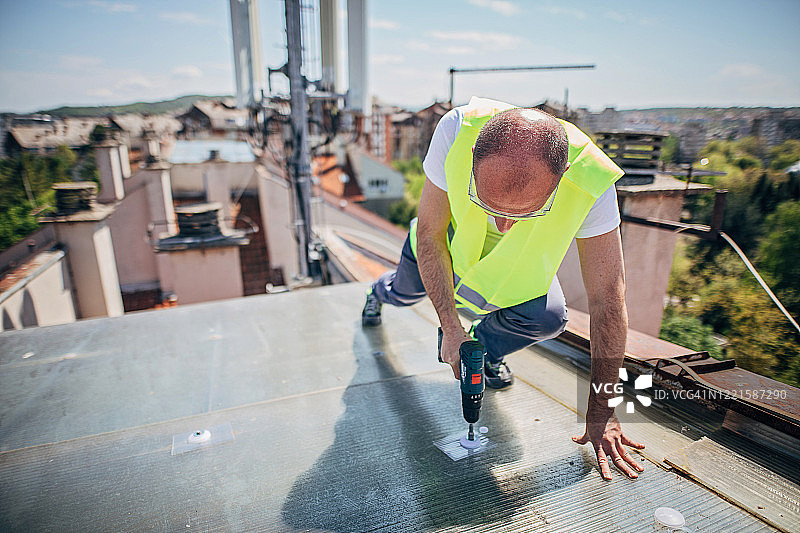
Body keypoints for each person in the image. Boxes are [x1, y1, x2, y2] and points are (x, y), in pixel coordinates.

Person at [361, 97, 645, 480]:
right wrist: (450, 327)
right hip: (441, 254)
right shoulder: (457, 131)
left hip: (508, 280)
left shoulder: (591, 181)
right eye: (487, 203)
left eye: (526, 213)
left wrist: (604, 409)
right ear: (475, 156)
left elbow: (609, 300)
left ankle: (486, 350)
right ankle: (376, 294)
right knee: (402, 294)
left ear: (562, 178)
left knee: (549, 317)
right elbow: (429, 235)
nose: (502, 225)